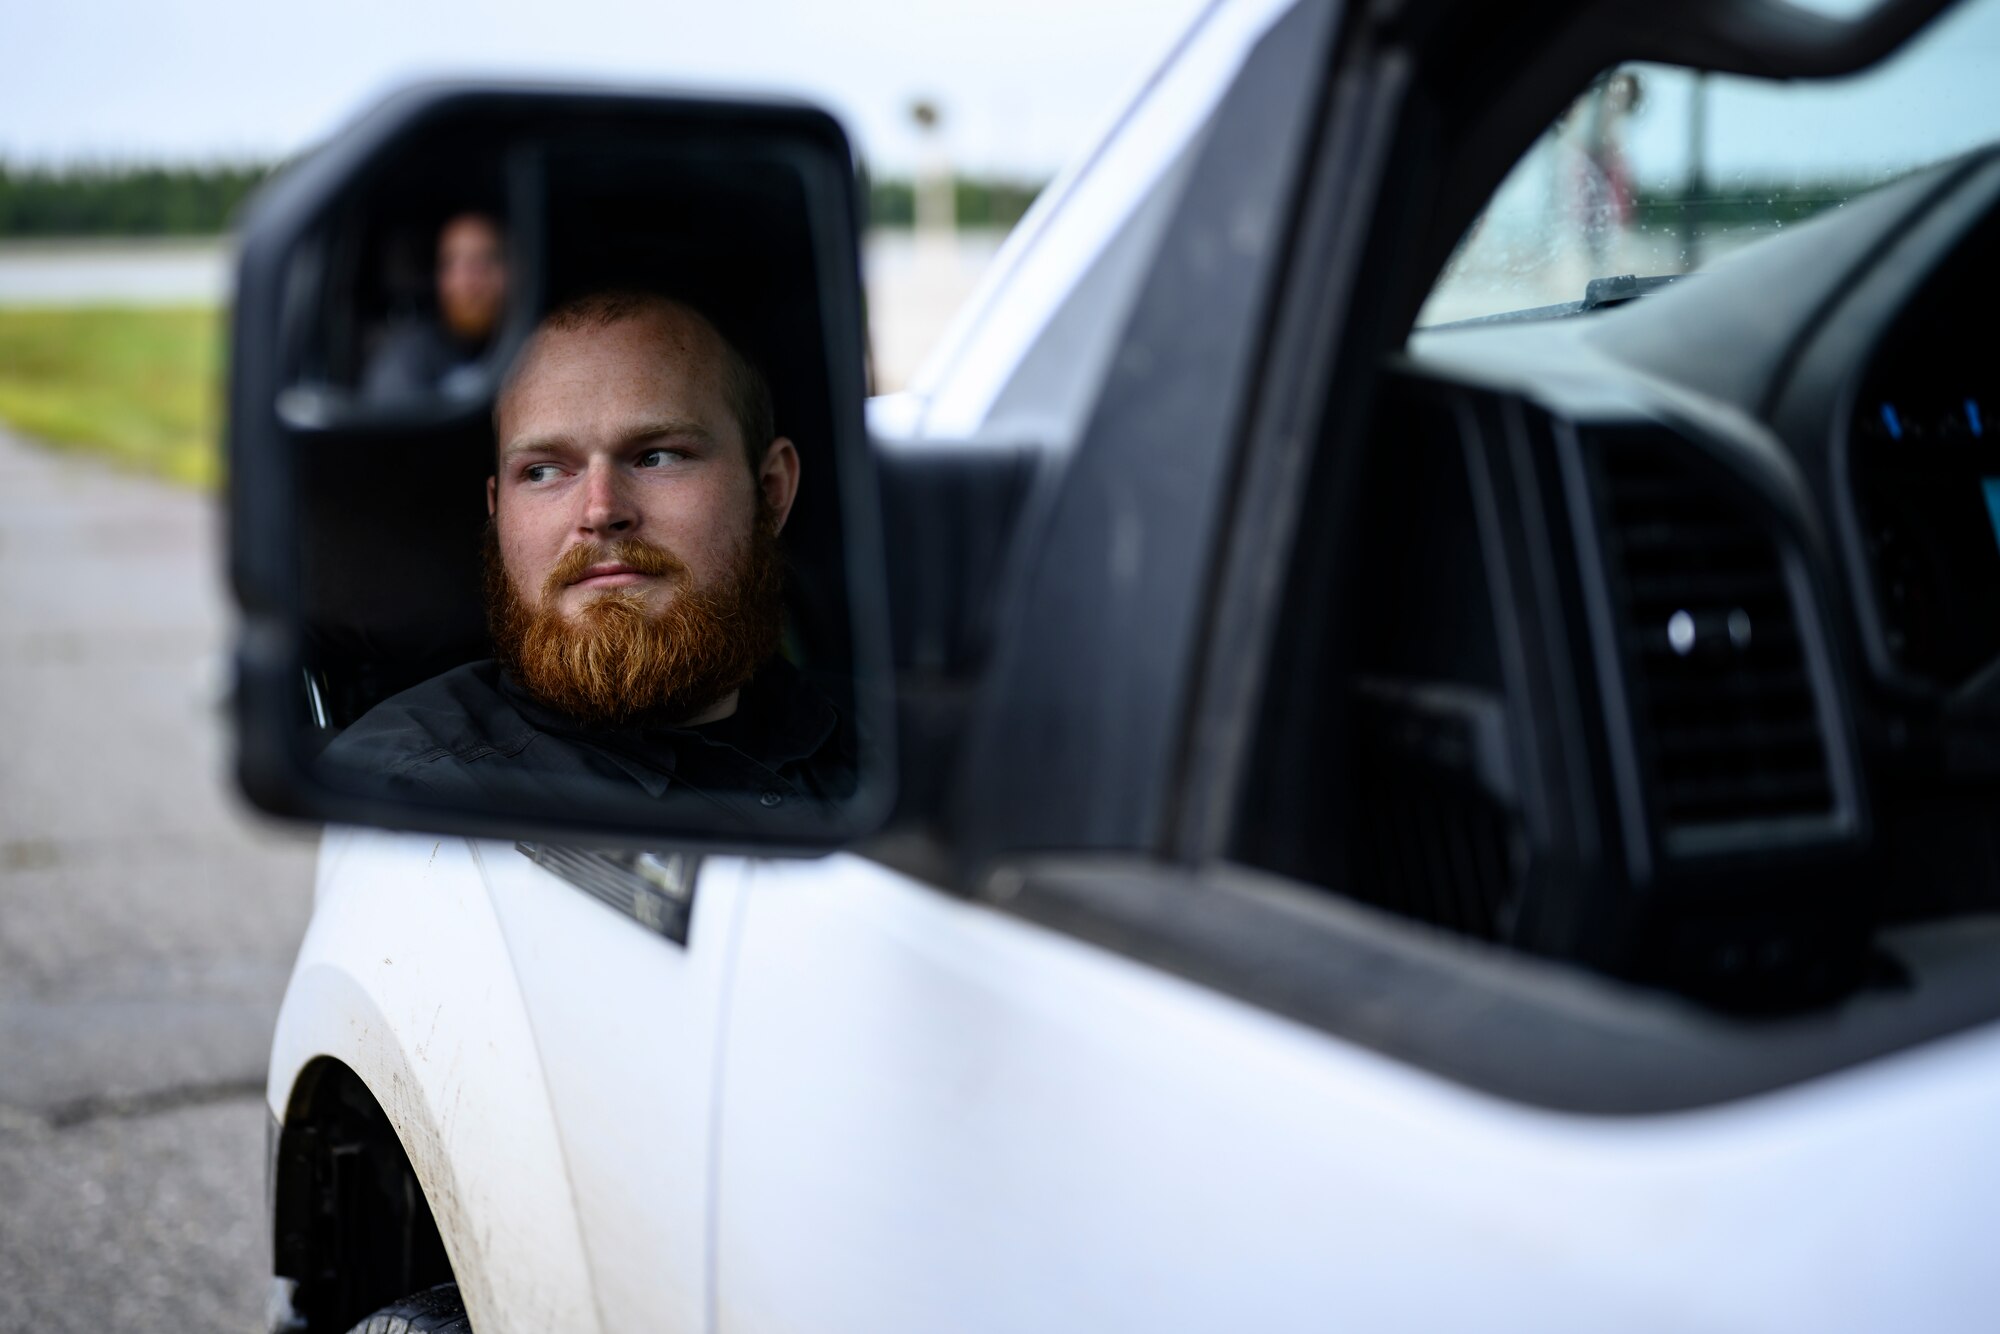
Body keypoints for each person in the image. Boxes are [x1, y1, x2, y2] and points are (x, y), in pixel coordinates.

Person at [324, 290, 857, 814]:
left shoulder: (892, 750)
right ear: (497, 511)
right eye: (544, 471)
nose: (600, 510)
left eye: (658, 456)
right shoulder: (405, 794)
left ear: (771, 491)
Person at [361, 211, 509, 401]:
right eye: (456, 264)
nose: (472, 282)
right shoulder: (407, 360)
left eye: (487, 260)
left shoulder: (534, 351)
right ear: (440, 279)